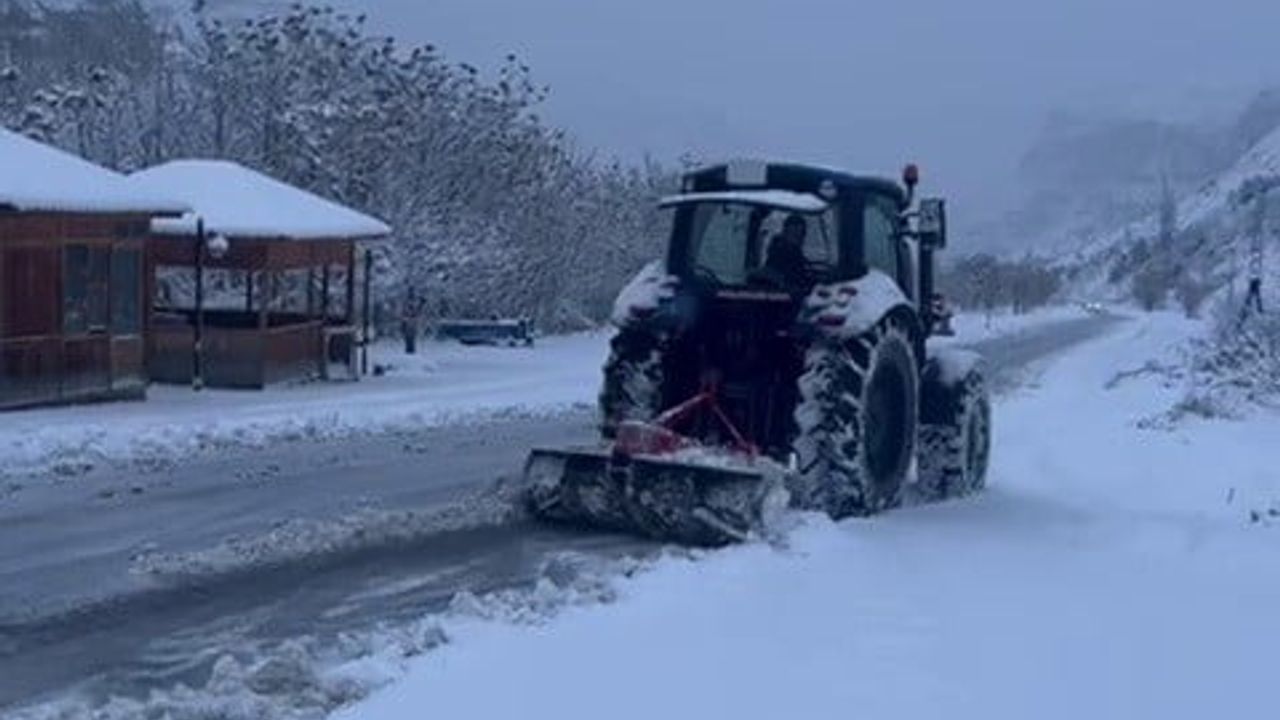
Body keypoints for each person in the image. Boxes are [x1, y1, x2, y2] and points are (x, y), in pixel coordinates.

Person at [761, 213, 811, 287]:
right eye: (794, 233)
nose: (798, 238)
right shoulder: (777, 255)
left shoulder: (798, 256)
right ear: (785, 232)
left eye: (801, 234)